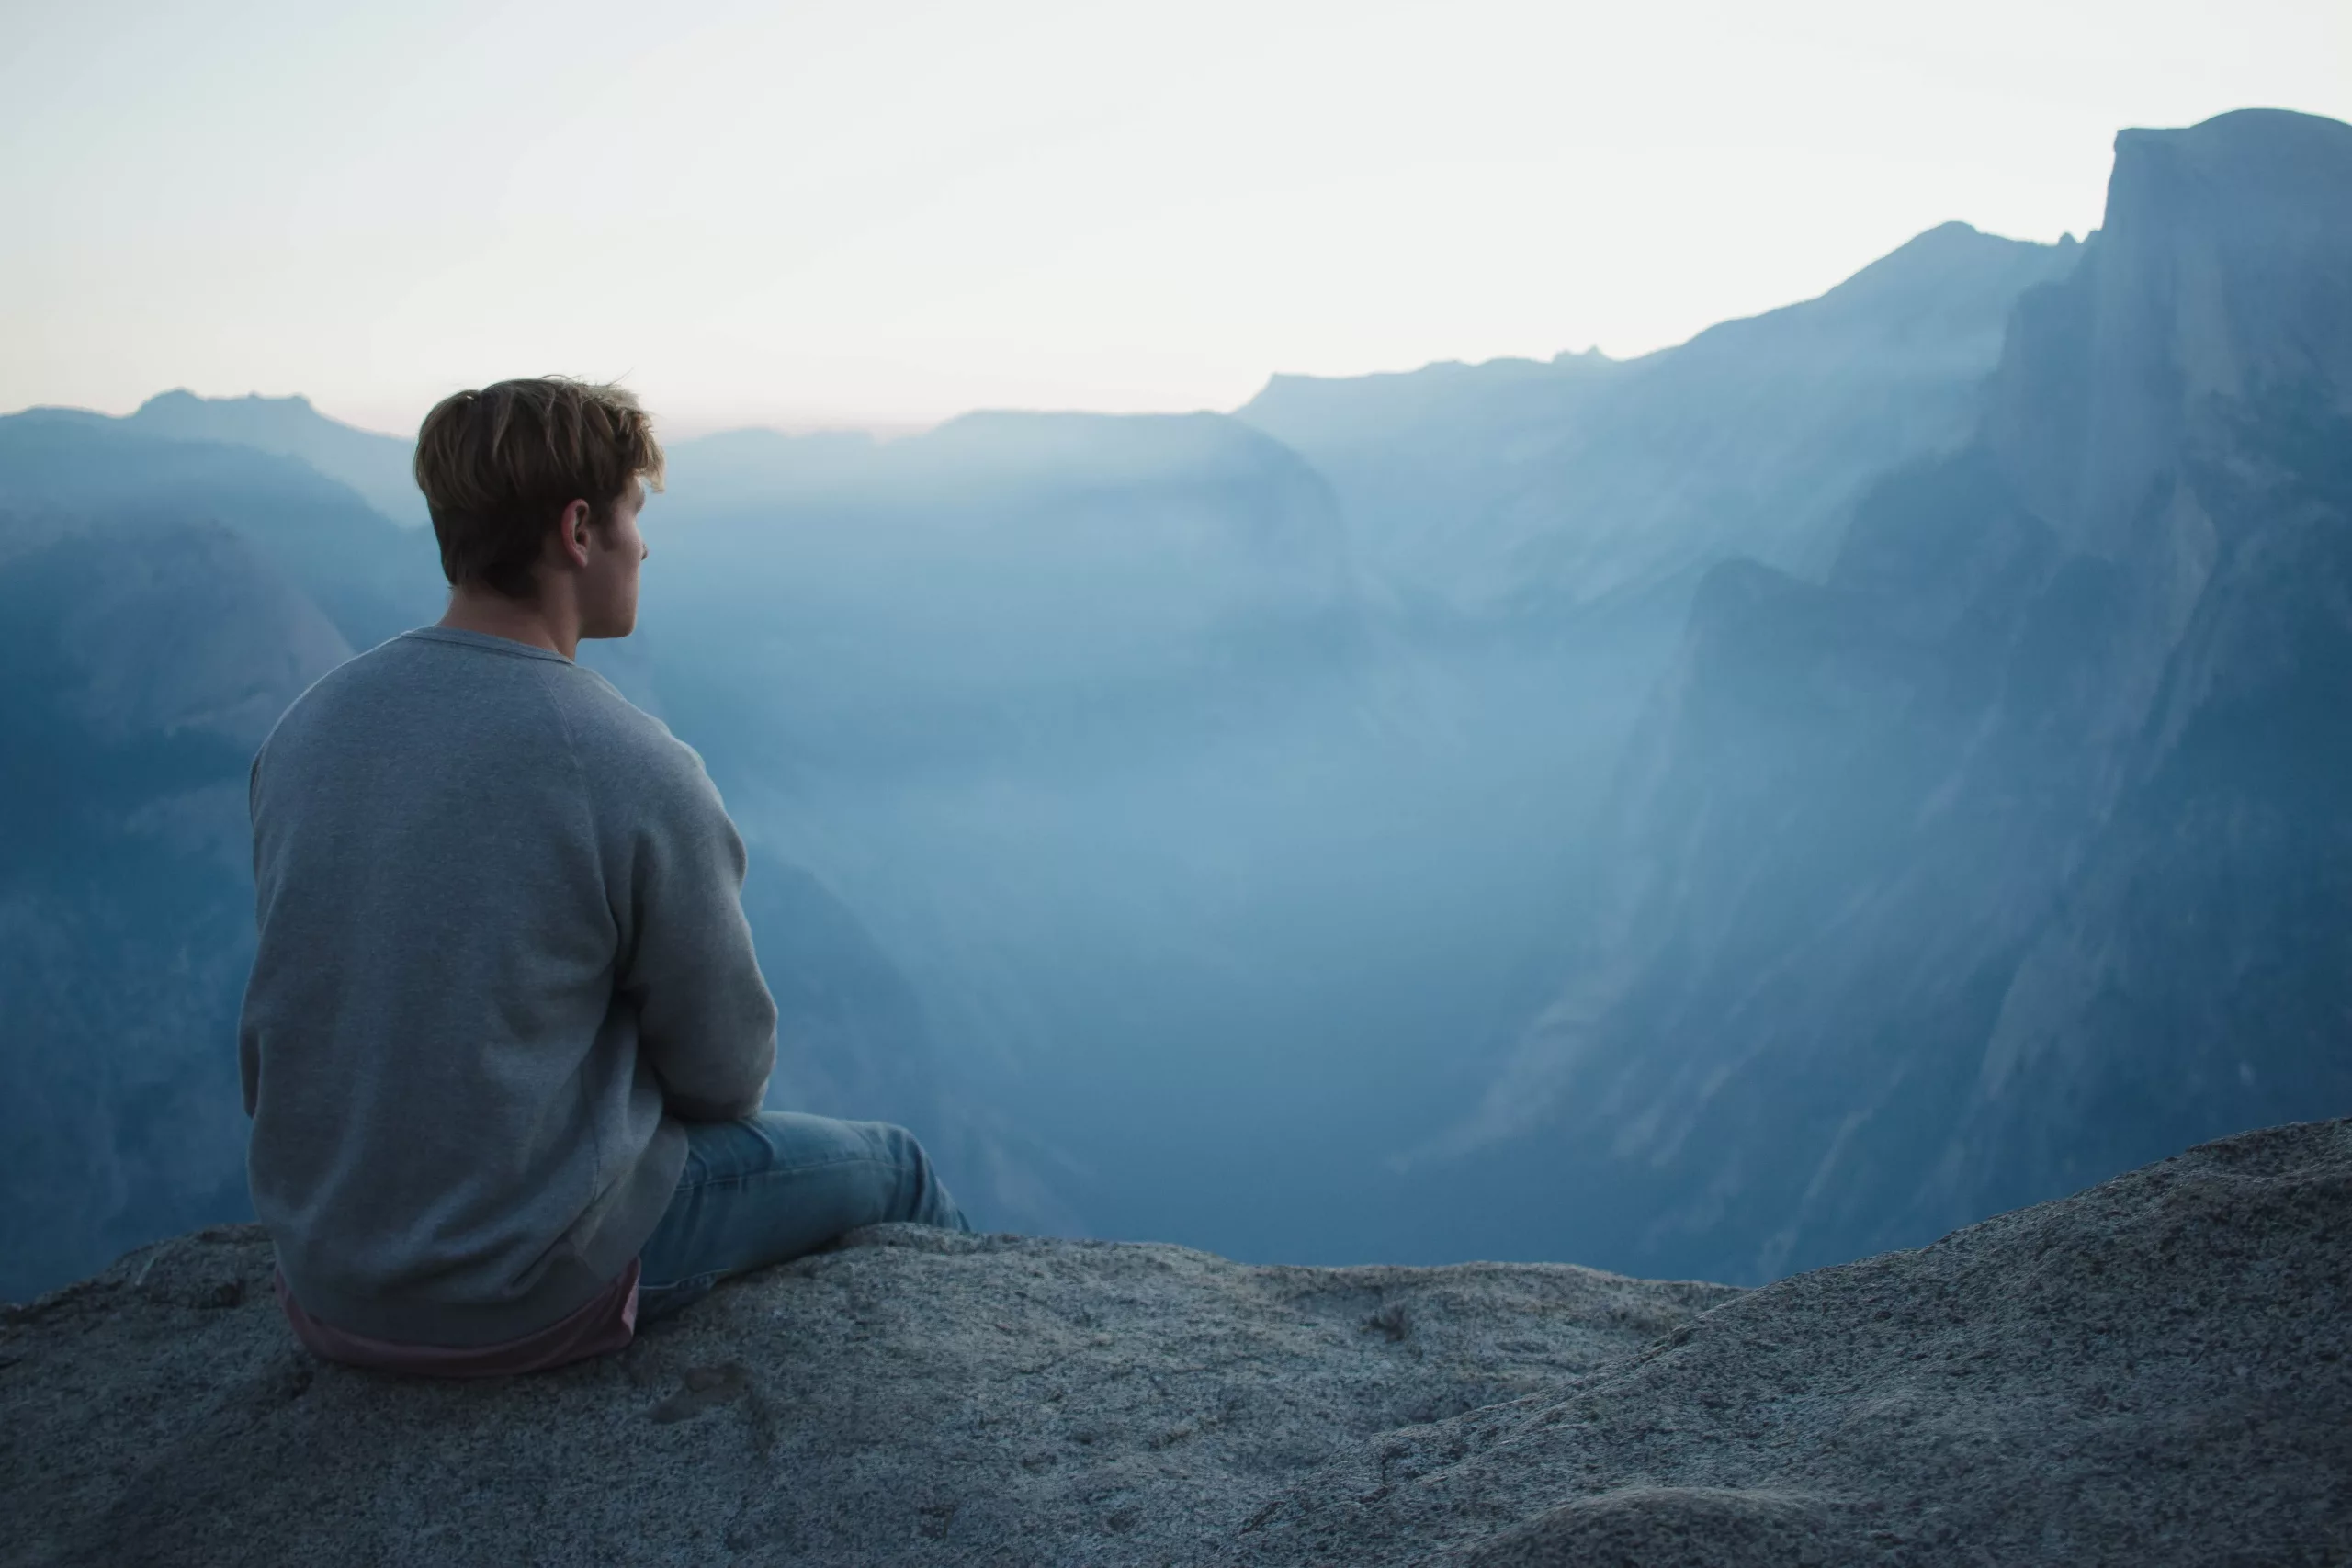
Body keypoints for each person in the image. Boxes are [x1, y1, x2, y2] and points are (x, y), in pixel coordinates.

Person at [238, 376, 968, 1377]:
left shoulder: (304, 732)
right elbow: (725, 1073)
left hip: (324, 1288)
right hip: (523, 1294)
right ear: (579, 529)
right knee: (899, 1166)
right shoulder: (627, 763)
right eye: (634, 511)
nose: (644, 544)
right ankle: (997, 1396)